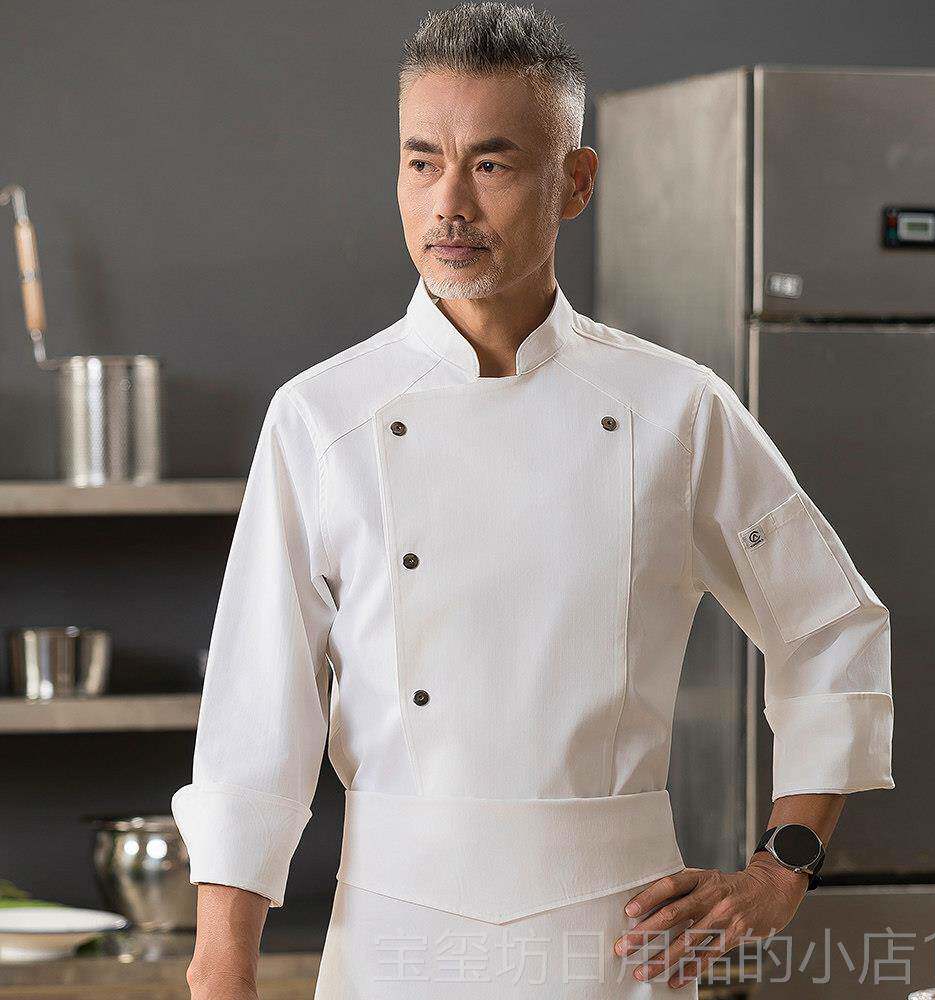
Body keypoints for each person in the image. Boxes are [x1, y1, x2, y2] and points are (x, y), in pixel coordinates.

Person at [171, 3, 894, 997]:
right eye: (422, 162)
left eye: (491, 164)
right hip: (394, 941)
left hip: (617, 944)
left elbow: (832, 627)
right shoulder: (321, 417)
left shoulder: (674, 410)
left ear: (576, 182)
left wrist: (782, 869)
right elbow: (258, 715)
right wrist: (220, 970)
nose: (449, 204)